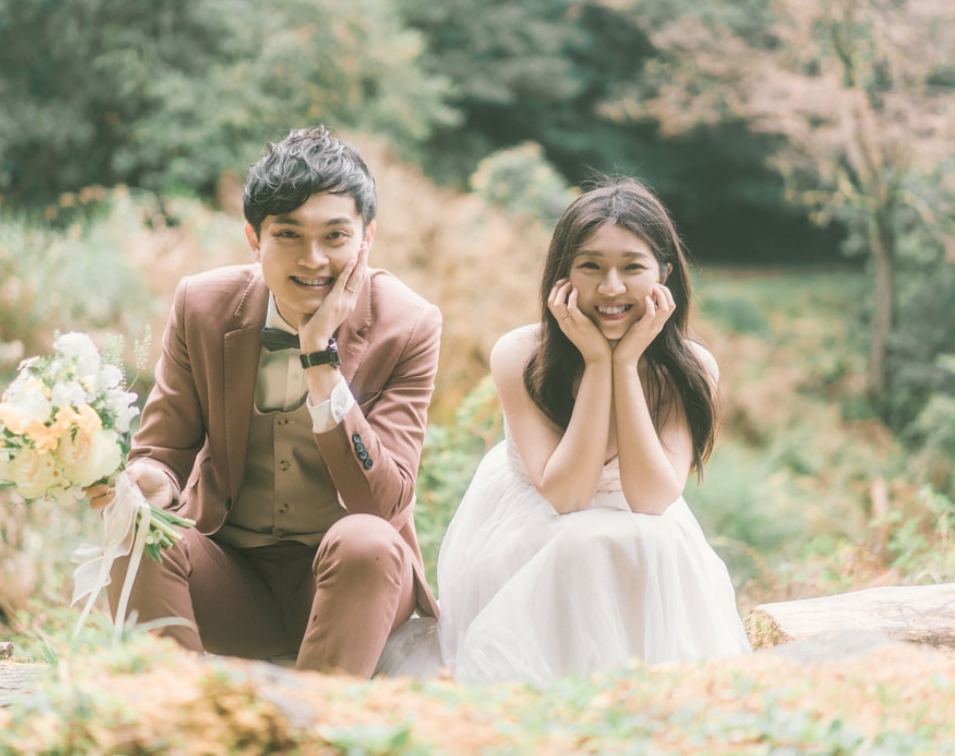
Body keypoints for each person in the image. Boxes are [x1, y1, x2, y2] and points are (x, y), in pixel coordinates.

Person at [85, 126, 441, 678]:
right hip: (230, 578)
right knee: (140, 529)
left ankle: (309, 729)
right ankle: (173, 722)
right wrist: (146, 483)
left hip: (354, 582)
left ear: (366, 239)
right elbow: (161, 452)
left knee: (367, 539)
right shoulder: (202, 304)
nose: (314, 258)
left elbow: (385, 502)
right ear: (254, 238)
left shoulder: (410, 324)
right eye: (288, 235)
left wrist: (320, 358)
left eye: (335, 236)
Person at [380, 178, 750, 683]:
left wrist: (628, 365)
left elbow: (651, 499)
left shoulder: (690, 367)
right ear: (563, 276)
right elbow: (569, 496)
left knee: (651, 542)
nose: (612, 287)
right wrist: (599, 362)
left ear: (664, 273)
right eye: (591, 266)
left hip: (644, 530)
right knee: (582, 542)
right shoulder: (520, 355)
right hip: (534, 530)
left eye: (633, 267)